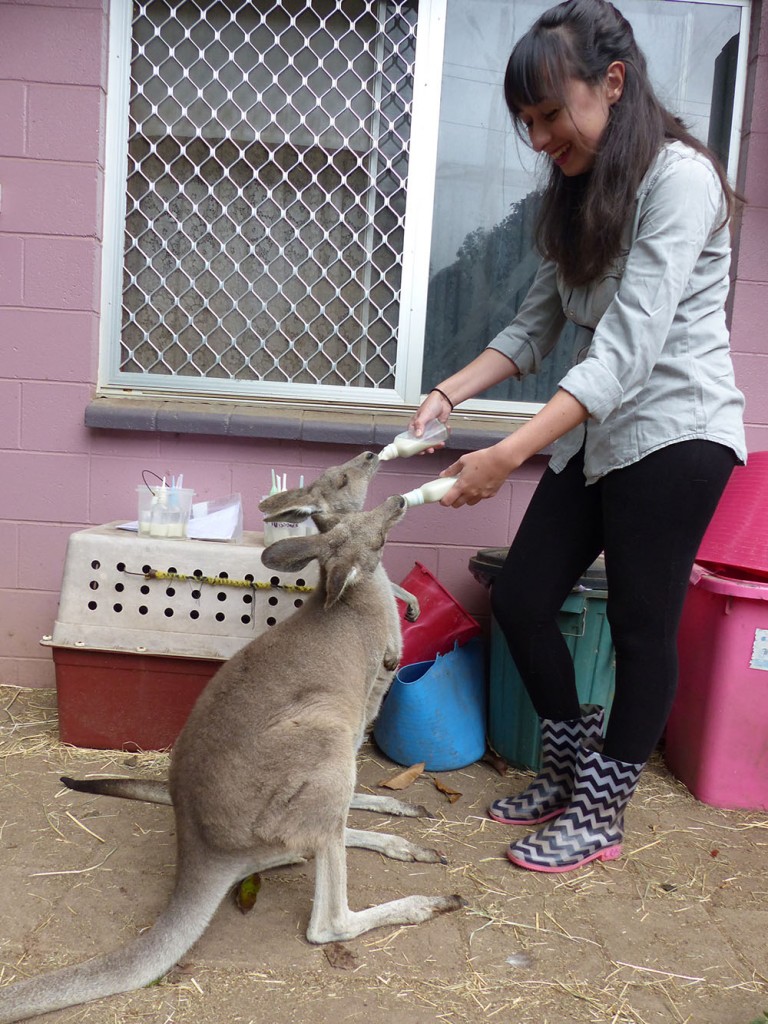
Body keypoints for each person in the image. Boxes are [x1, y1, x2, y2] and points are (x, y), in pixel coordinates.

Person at [411, 0, 746, 873]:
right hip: (598, 433)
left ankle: (602, 810)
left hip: (677, 432)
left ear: (613, 82)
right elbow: (531, 329)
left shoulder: (680, 180)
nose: (538, 137)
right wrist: (446, 393)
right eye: (527, 123)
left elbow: (631, 347)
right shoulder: (575, 198)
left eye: (551, 114)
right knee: (522, 597)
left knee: (641, 628)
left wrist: (509, 451)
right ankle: (567, 770)